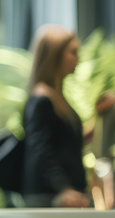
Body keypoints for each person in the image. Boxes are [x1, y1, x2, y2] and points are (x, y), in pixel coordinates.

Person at [21, 24, 91, 208]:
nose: (78, 58)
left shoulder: (57, 99)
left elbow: (63, 143)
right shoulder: (41, 101)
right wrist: (62, 188)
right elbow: (41, 149)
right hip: (51, 199)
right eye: (73, 52)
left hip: (65, 197)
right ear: (55, 56)